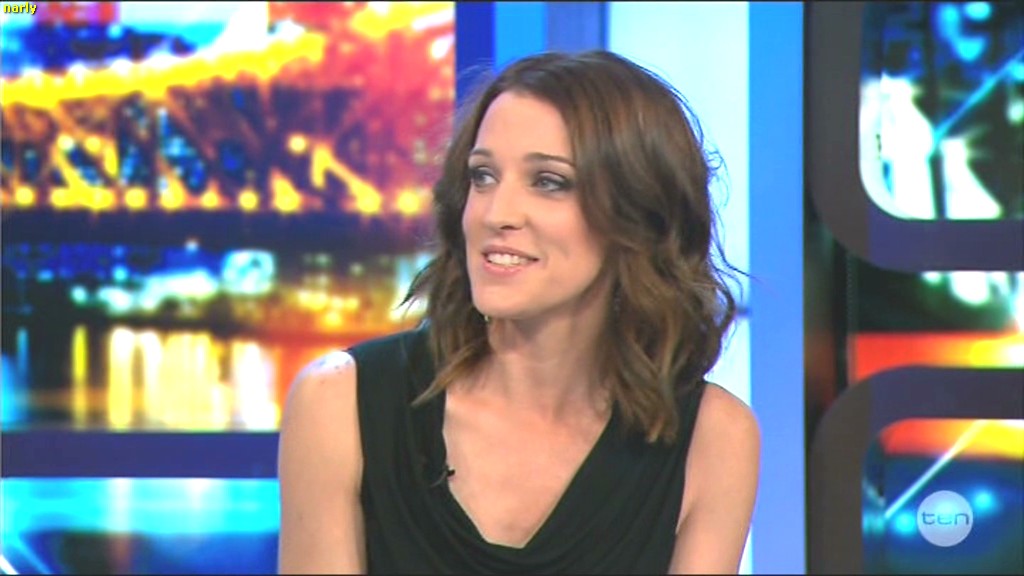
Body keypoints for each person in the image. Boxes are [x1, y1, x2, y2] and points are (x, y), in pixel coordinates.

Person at [277, 50, 760, 574]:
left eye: (548, 182)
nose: (495, 213)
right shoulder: (339, 404)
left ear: (638, 215)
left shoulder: (714, 439)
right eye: (483, 176)